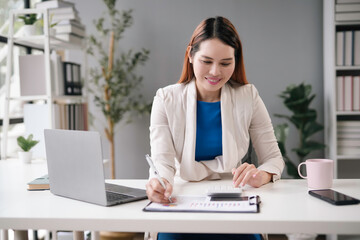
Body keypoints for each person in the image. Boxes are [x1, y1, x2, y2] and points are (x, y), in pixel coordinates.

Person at [146, 16, 284, 240]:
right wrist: (159, 183)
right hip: (183, 203)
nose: (215, 72)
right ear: (190, 55)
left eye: (225, 63)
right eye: (206, 61)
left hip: (235, 203)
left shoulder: (248, 96)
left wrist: (263, 175)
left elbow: (274, 158)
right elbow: (162, 163)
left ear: (236, 61)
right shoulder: (166, 98)